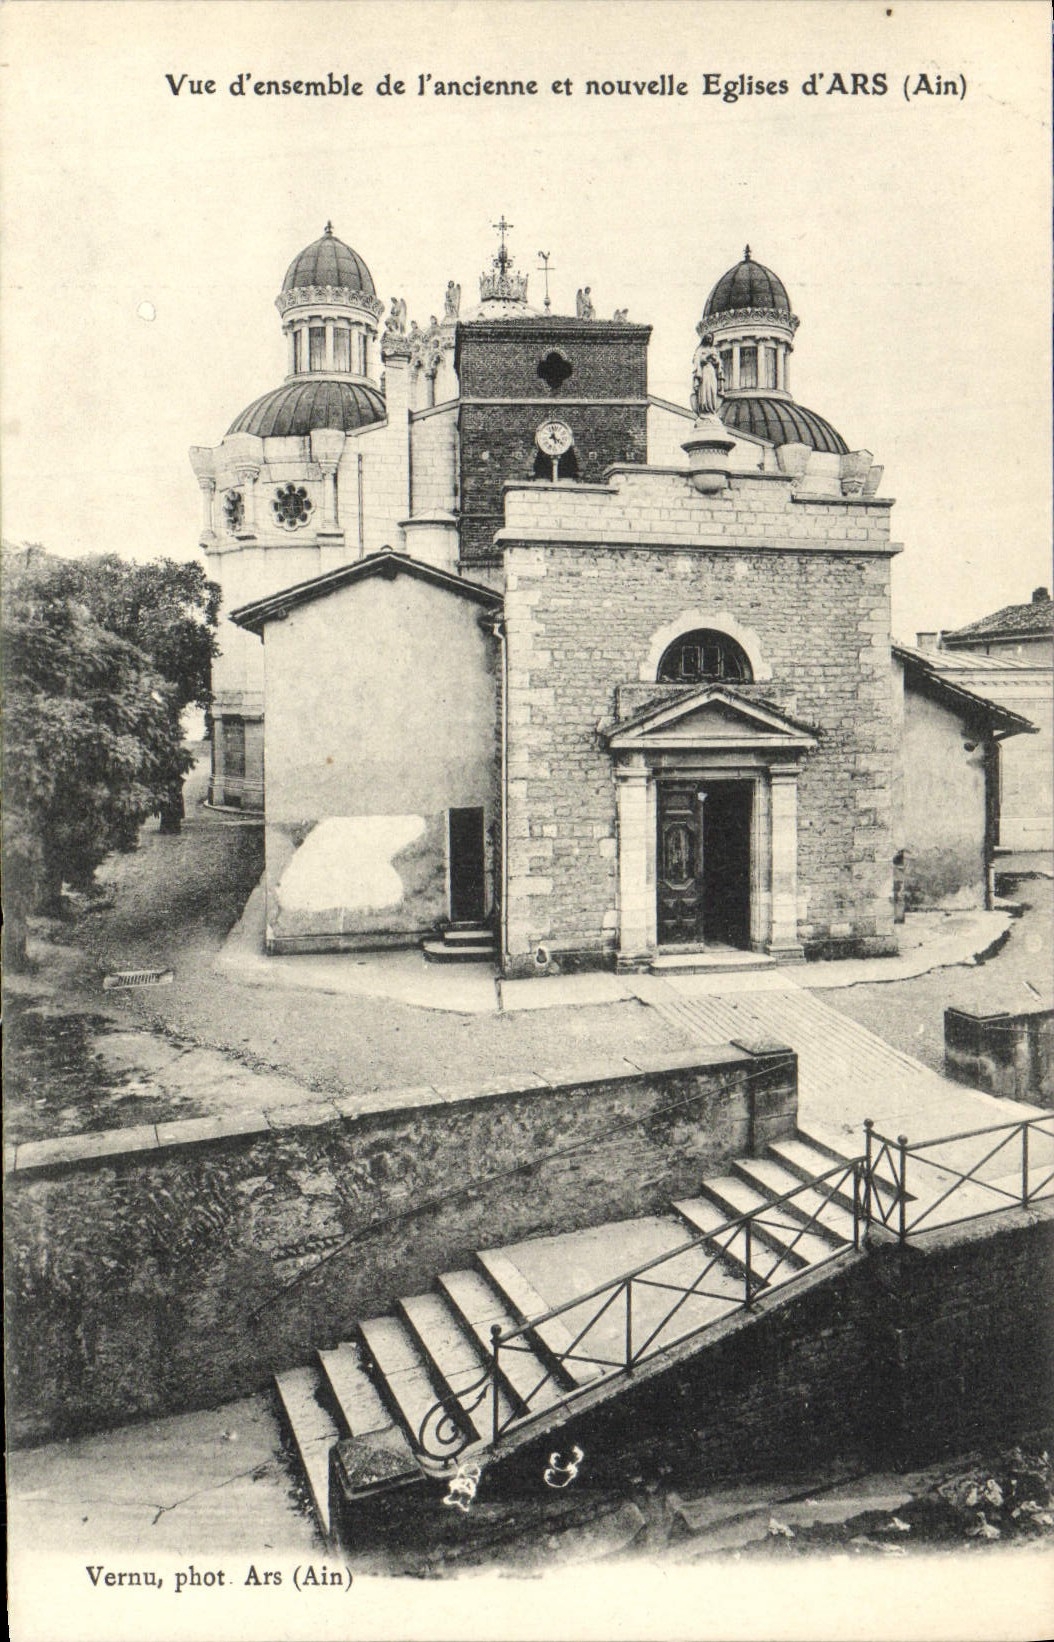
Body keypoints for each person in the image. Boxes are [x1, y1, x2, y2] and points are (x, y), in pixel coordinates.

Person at [691, 328, 724, 417]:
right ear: (704, 339)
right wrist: (707, 357)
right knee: (705, 389)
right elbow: (696, 360)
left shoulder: (713, 349)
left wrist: (716, 360)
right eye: (707, 338)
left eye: (710, 338)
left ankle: (711, 408)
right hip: (704, 371)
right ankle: (704, 408)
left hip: (712, 371)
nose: (709, 340)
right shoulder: (700, 349)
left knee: (713, 390)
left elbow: (718, 362)